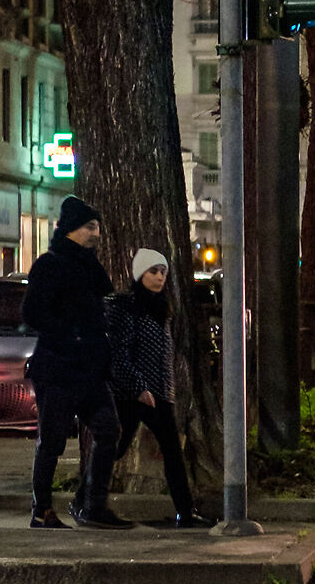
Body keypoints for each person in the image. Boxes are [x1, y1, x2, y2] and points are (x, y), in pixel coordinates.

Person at [21, 195, 122, 530]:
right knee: (52, 440)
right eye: (90, 227)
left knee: (109, 429)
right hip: (60, 367)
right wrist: (71, 335)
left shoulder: (89, 265)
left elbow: (105, 298)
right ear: (73, 229)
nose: (96, 233)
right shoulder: (50, 265)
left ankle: (91, 503)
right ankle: (42, 509)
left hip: (91, 370)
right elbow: (33, 313)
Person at [104, 249, 210, 528]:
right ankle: (87, 500)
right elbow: (120, 353)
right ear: (140, 274)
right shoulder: (128, 308)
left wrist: (166, 389)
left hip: (159, 393)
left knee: (173, 452)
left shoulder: (162, 307)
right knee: (114, 447)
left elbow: (163, 355)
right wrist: (139, 387)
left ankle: (185, 512)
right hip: (131, 393)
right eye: (153, 271)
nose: (160, 277)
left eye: (163, 271)